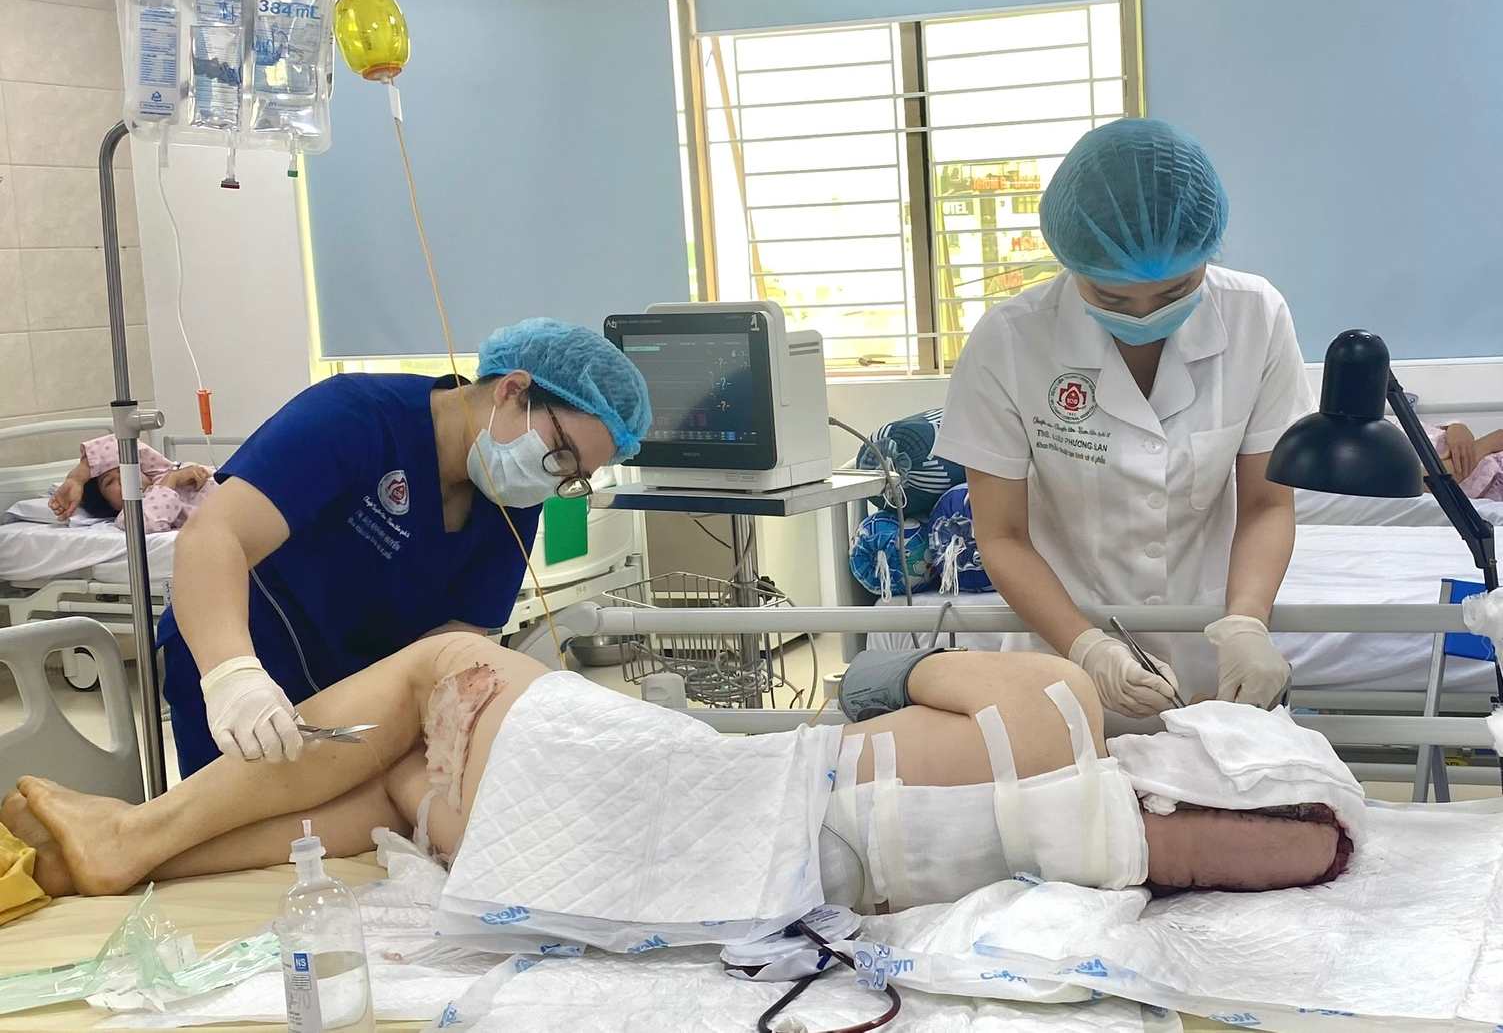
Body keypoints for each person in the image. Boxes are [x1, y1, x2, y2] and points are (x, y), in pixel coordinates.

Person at [7, 640, 1349, 906]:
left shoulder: (1050, 694)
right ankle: (130, 848)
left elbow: (902, 677)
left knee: (443, 664)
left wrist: (1007, 652)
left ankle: (137, 830)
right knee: (378, 786)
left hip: (705, 790)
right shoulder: (1075, 775)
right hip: (637, 851)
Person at [157, 317, 651, 777]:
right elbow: (215, 537)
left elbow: (460, 637)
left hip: (358, 694)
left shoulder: (512, 495)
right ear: (512, 389)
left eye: (574, 476)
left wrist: (428, 725)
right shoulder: (355, 416)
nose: (556, 477)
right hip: (243, 651)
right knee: (221, 833)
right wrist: (233, 677)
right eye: (560, 453)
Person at [937, 118, 1312, 720]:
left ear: (1206, 255)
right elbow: (1001, 535)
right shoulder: (1010, 340)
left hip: (1207, 655)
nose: (1143, 315)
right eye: (1112, 299)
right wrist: (1088, 648)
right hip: (1059, 657)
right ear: (1070, 261)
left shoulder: (1255, 317)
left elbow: (1268, 503)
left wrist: (1245, 623)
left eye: (1173, 294)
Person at [48, 435, 216, 533]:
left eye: (123, 468)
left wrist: (78, 476)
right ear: (109, 505)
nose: (122, 476)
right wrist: (172, 480)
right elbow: (151, 523)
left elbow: (122, 442)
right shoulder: (129, 516)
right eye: (109, 482)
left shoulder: (161, 473)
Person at [1429, 420, 1503, 501]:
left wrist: (1455, 427)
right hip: (1489, 480)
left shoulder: (1416, 425)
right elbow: (1422, 481)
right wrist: (1487, 444)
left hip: (1493, 458)